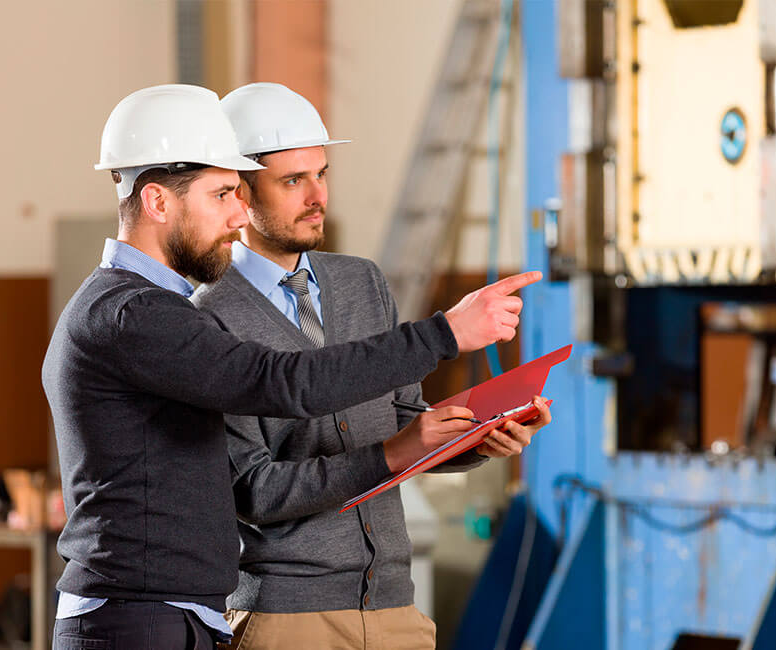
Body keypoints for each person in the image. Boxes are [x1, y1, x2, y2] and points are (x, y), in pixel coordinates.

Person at [43, 84, 540, 650]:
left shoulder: (143, 307)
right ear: (158, 202)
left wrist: (467, 436)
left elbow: (391, 413)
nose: (236, 214)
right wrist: (445, 333)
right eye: (223, 193)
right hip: (144, 616)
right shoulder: (139, 314)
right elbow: (281, 386)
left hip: (173, 612)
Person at [191, 82, 552, 650]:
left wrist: (480, 439)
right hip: (288, 619)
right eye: (293, 181)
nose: (318, 196)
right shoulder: (209, 320)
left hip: (394, 610)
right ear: (239, 193)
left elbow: (404, 421)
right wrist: (395, 452)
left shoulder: (361, 282)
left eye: (322, 173)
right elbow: (253, 492)